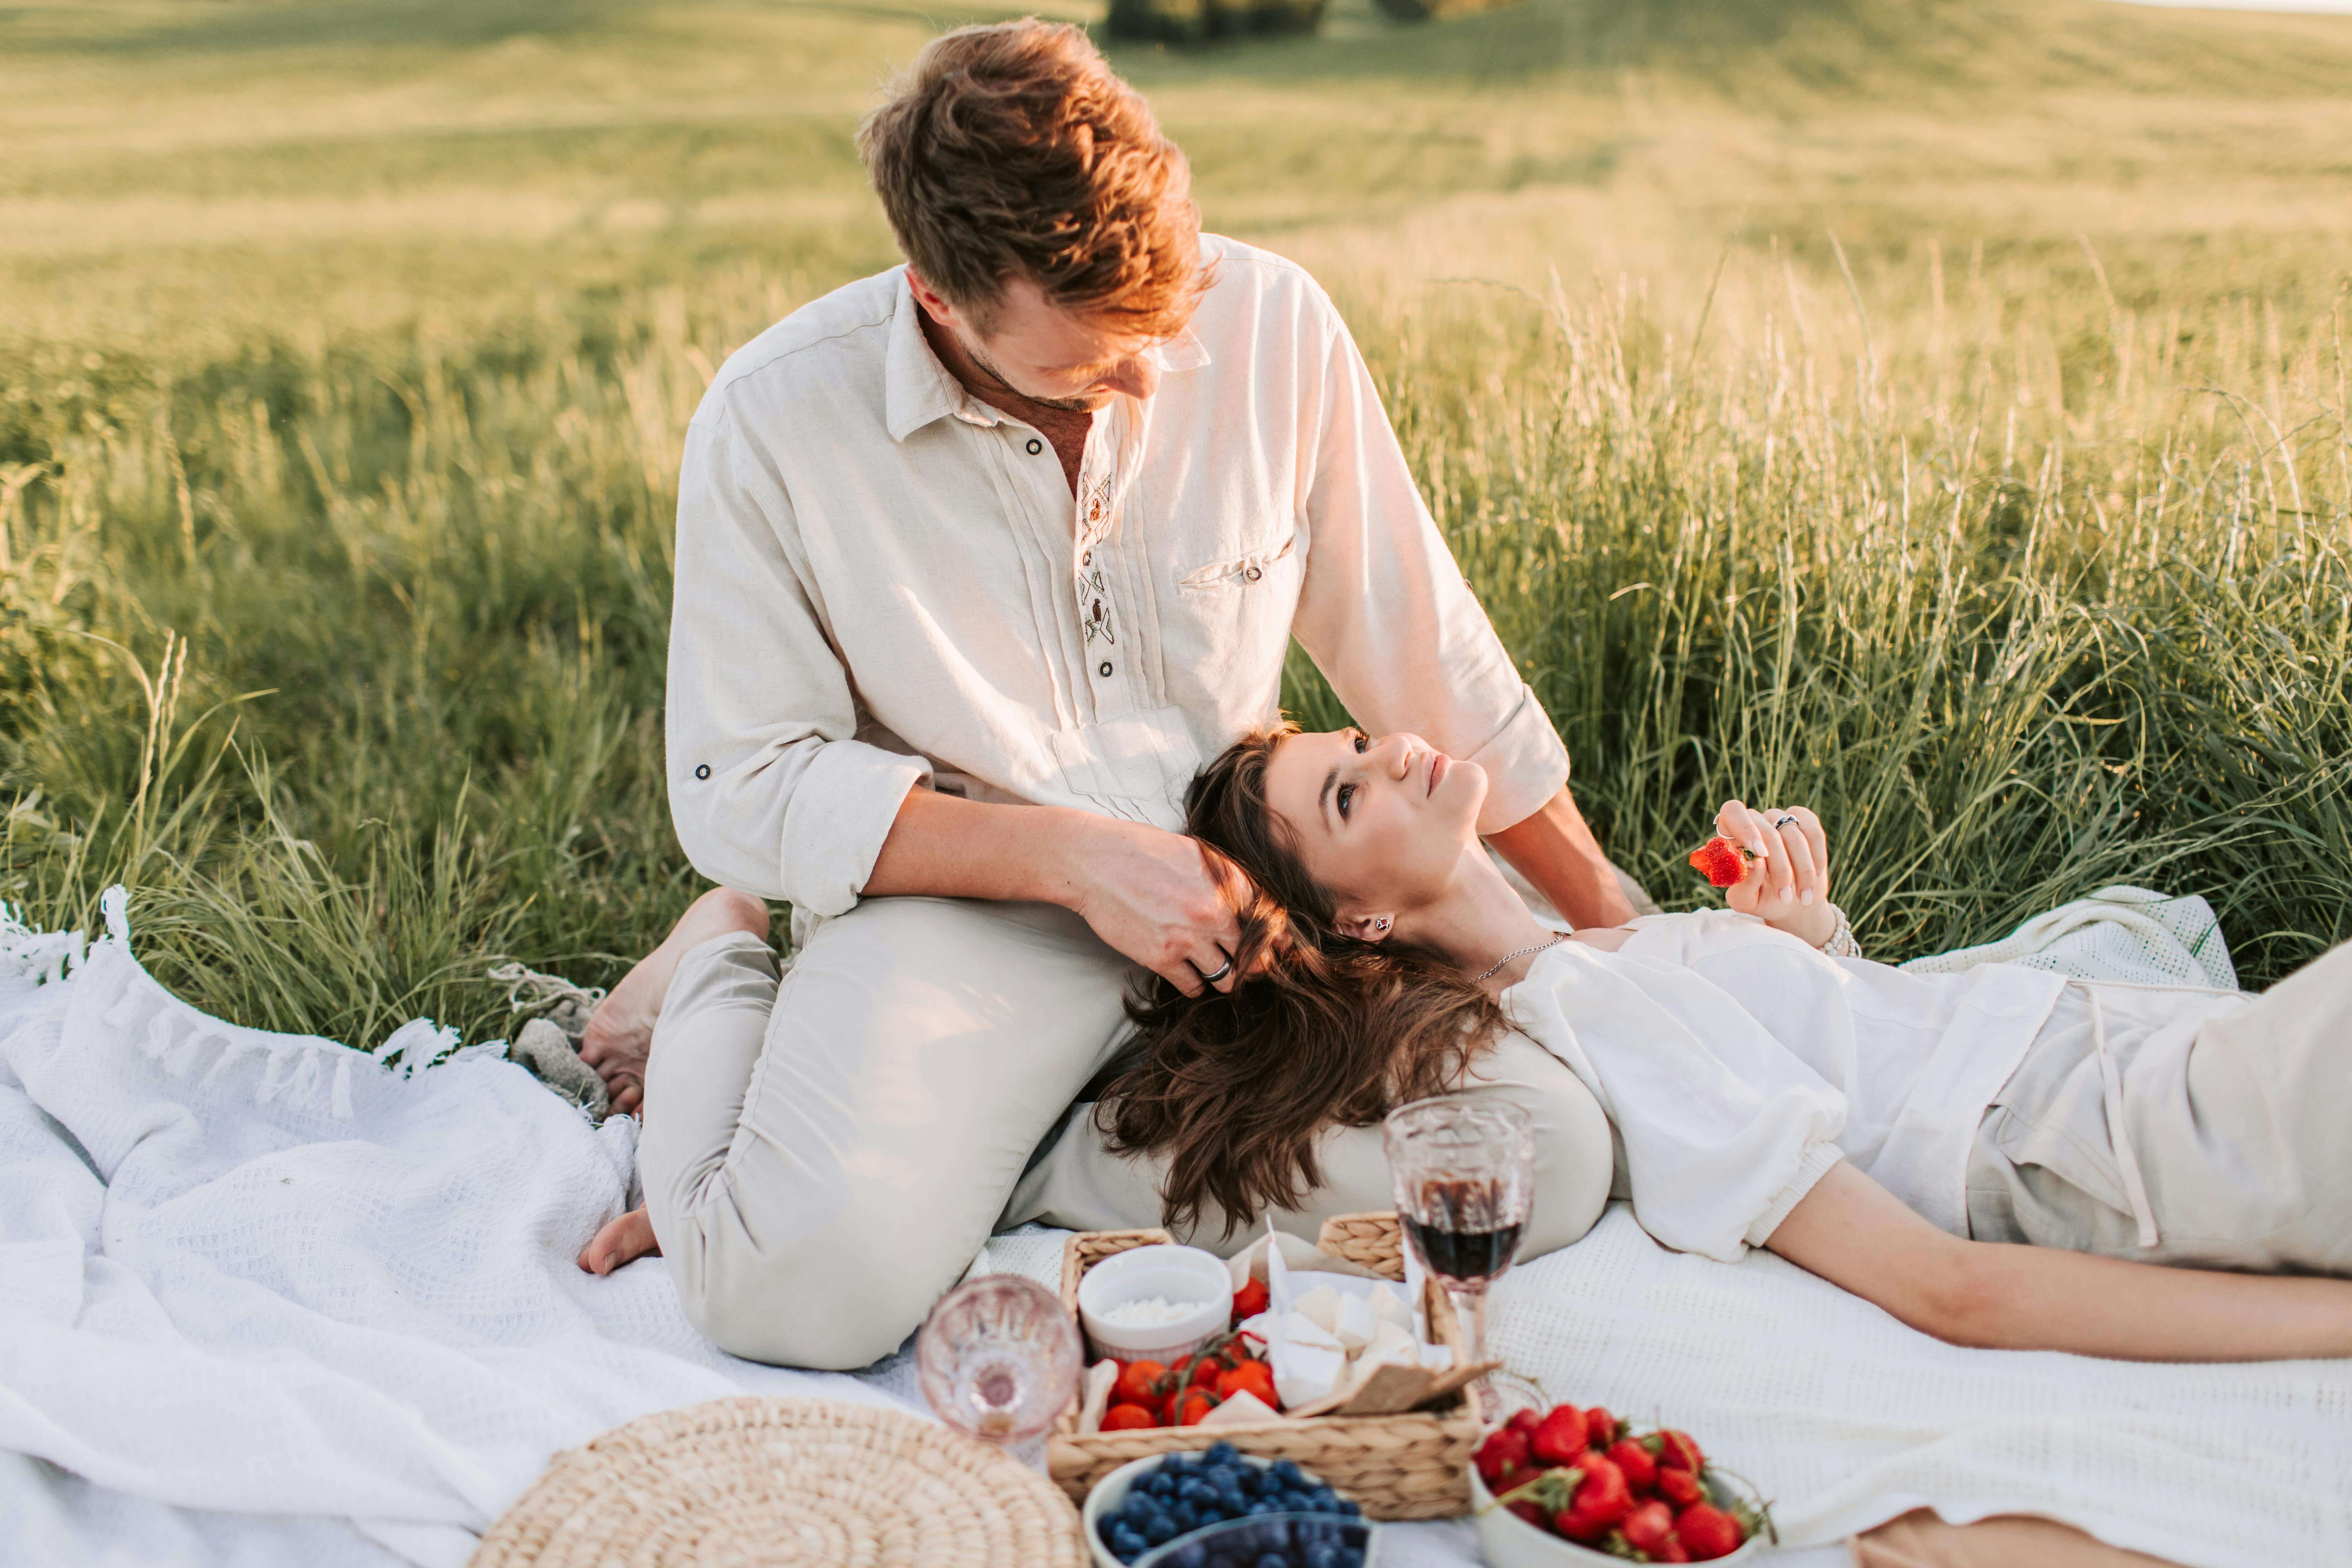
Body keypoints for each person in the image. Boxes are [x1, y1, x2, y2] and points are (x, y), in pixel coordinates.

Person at [570, 21, 1642, 1367]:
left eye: (1165, 323)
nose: (1148, 379)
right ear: (937, 299)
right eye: (1089, 362)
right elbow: (741, 782)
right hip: (974, 907)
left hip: (1260, 902)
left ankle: (1013, 1154)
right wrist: (1076, 863)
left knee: (1540, 1155)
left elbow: (1420, 649)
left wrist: (1617, 925)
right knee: (793, 1294)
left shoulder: (1274, 318)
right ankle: (722, 964)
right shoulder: (776, 420)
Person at [1040, 721, 2352, 1361]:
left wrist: (1805, 943)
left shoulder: (1598, 957)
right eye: (1348, 792)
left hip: (2146, 1065)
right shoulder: (1572, 1018)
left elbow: (1845, 1058)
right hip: (2123, 1136)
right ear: (1361, 920)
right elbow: (1947, 1289)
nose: (1395, 753)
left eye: (1361, 742)